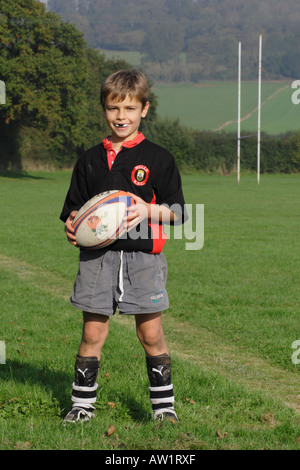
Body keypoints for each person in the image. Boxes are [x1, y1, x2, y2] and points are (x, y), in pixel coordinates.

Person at [60, 69, 187, 424]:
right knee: (92, 333)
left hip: (142, 260)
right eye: (114, 108)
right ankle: (82, 406)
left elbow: (178, 213)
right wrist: (73, 228)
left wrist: (148, 209)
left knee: (151, 334)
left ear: (144, 109)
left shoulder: (160, 159)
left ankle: (164, 410)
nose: (121, 116)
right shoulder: (88, 160)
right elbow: (73, 211)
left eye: (130, 108)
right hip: (97, 260)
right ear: (104, 110)